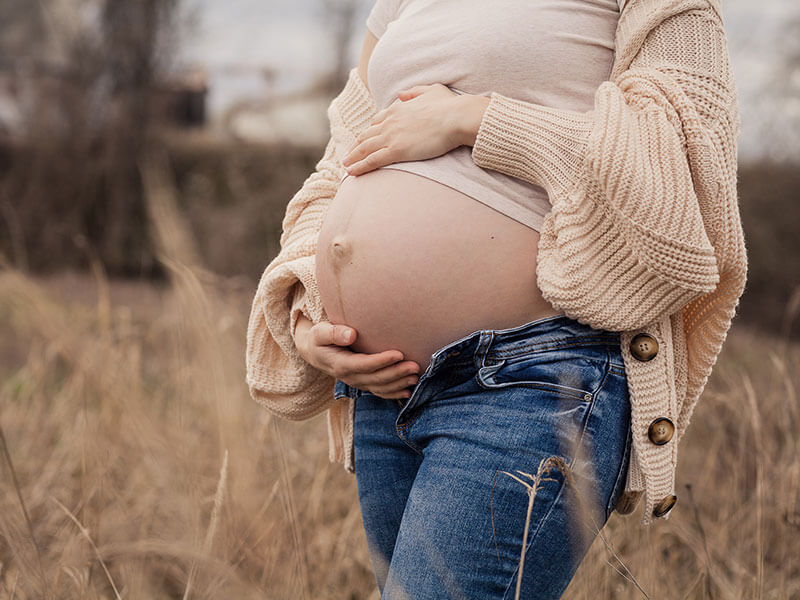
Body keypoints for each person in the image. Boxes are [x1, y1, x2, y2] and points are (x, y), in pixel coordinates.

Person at [245, 0, 747, 597]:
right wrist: (308, 312)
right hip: (384, 392)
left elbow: (678, 173)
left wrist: (475, 120)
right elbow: (340, 163)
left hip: (531, 379)